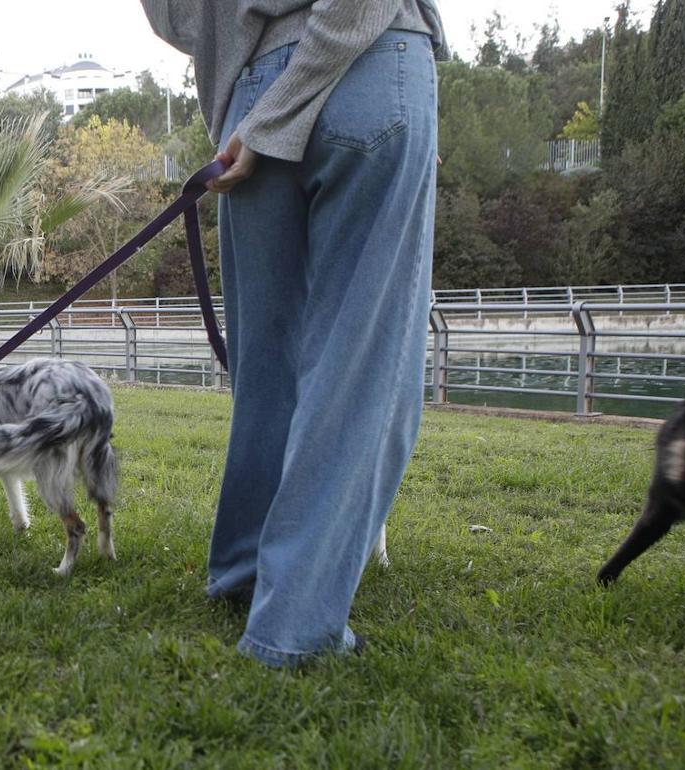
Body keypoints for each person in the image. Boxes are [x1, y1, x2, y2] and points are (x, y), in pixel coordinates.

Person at [140, 0, 447, 667]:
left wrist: (258, 97)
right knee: (360, 367)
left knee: (266, 364)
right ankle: (294, 628)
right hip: (367, 58)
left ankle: (246, 573)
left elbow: (174, 17)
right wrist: (291, 95)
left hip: (248, 91)